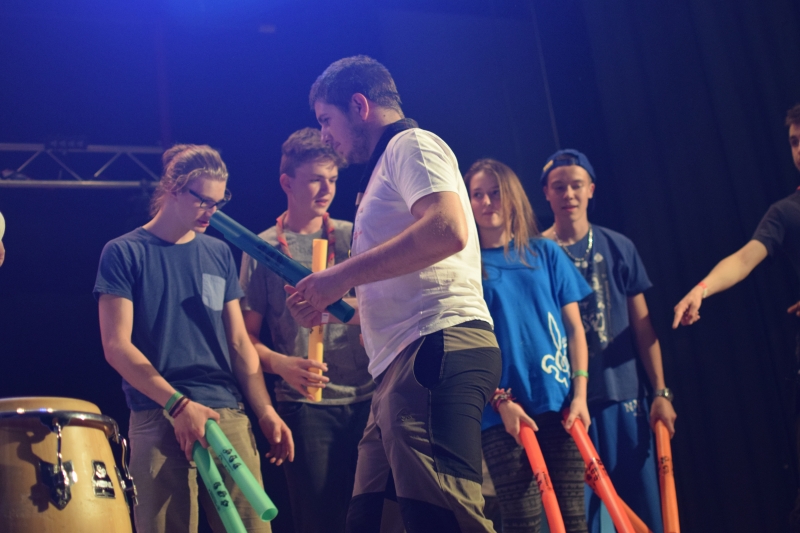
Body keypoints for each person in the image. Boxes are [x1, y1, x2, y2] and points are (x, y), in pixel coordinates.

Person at [287, 55, 501, 532]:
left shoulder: (412, 145)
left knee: (444, 522)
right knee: (373, 522)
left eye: (326, 119)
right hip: (400, 365)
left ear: (359, 105)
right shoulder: (386, 168)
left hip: (433, 348)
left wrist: (338, 276)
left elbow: (447, 229)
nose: (324, 135)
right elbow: (402, 283)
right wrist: (333, 308)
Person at [94, 144, 293, 533]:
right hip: (157, 413)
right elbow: (116, 347)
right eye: (202, 200)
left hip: (224, 411)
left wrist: (265, 411)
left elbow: (239, 343)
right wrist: (178, 404)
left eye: (218, 202)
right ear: (173, 188)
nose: (211, 211)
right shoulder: (124, 252)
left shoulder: (218, 252)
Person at [239, 127, 375, 533]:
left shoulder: (354, 236)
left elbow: (383, 308)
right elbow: (245, 339)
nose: (327, 189)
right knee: (319, 520)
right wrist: (282, 364)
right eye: (316, 179)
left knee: (374, 517)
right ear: (287, 182)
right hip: (306, 405)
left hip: (368, 397)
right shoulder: (262, 248)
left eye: (332, 179)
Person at [673, 103, 800, 529]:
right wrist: (702, 288)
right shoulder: (786, 212)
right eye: (794, 142)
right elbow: (746, 258)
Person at [540, 149, 677, 533]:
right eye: (559, 186)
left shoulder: (618, 246)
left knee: (645, 514)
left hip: (623, 397)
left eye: (576, 185)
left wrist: (661, 392)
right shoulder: (535, 254)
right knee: (576, 520)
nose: (568, 194)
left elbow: (643, 328)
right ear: (546, 193)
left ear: (591, 189)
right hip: (566, 408)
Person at [465, 159, 592, 533]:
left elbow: (575, 330)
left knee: (573, 517)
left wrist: (581, 395)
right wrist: (500, 402)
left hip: (561, 402)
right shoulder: (465, 266)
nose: (487, 202)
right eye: (477, 194)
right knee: (522, 520)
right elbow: (467, 346)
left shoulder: (545, 253)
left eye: (495, 192)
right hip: (501, 411)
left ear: (512, 196)